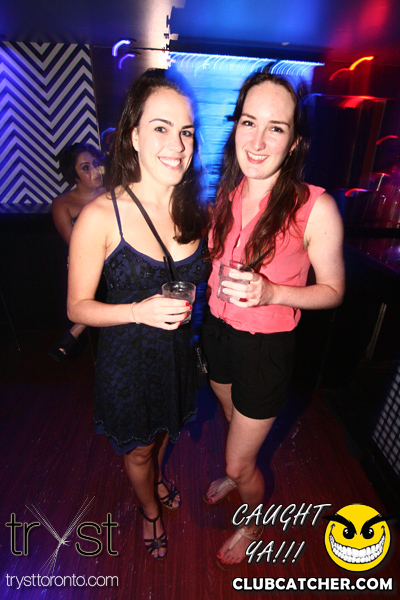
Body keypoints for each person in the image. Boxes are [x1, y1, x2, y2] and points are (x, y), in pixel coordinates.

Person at [202, 70, 345, 568]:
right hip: (217, 335)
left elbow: (333, 292)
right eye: (249, 122)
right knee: (231, 421)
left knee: (238, 458)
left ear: (295, 141)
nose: (258, 141)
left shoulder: (316, 207)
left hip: (266, 350)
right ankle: (237, 472)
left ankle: (252, 521)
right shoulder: (225, 193)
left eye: (276, 128)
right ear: (235, 126)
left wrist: (272, 292)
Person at [67, 69, 209, 560]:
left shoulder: (196, 209)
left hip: (177, 353)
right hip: (127, 360)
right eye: (160, 128)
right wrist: (138, 310)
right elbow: (76, 307)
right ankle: (149, 510)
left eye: (186, 131)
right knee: (140, 448)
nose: (177, 144)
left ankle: (159, 479)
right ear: (133, 135)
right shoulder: (100, 215)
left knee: (166, 429)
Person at [49, 143, 105, 361]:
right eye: (85, 167)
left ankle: (76, 330)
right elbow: (75, 244)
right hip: (84, 261)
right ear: (74, 176)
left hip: (115, 256)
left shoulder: (112, 192)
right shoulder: (62, 204)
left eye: (95, 163)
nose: (95, 170)